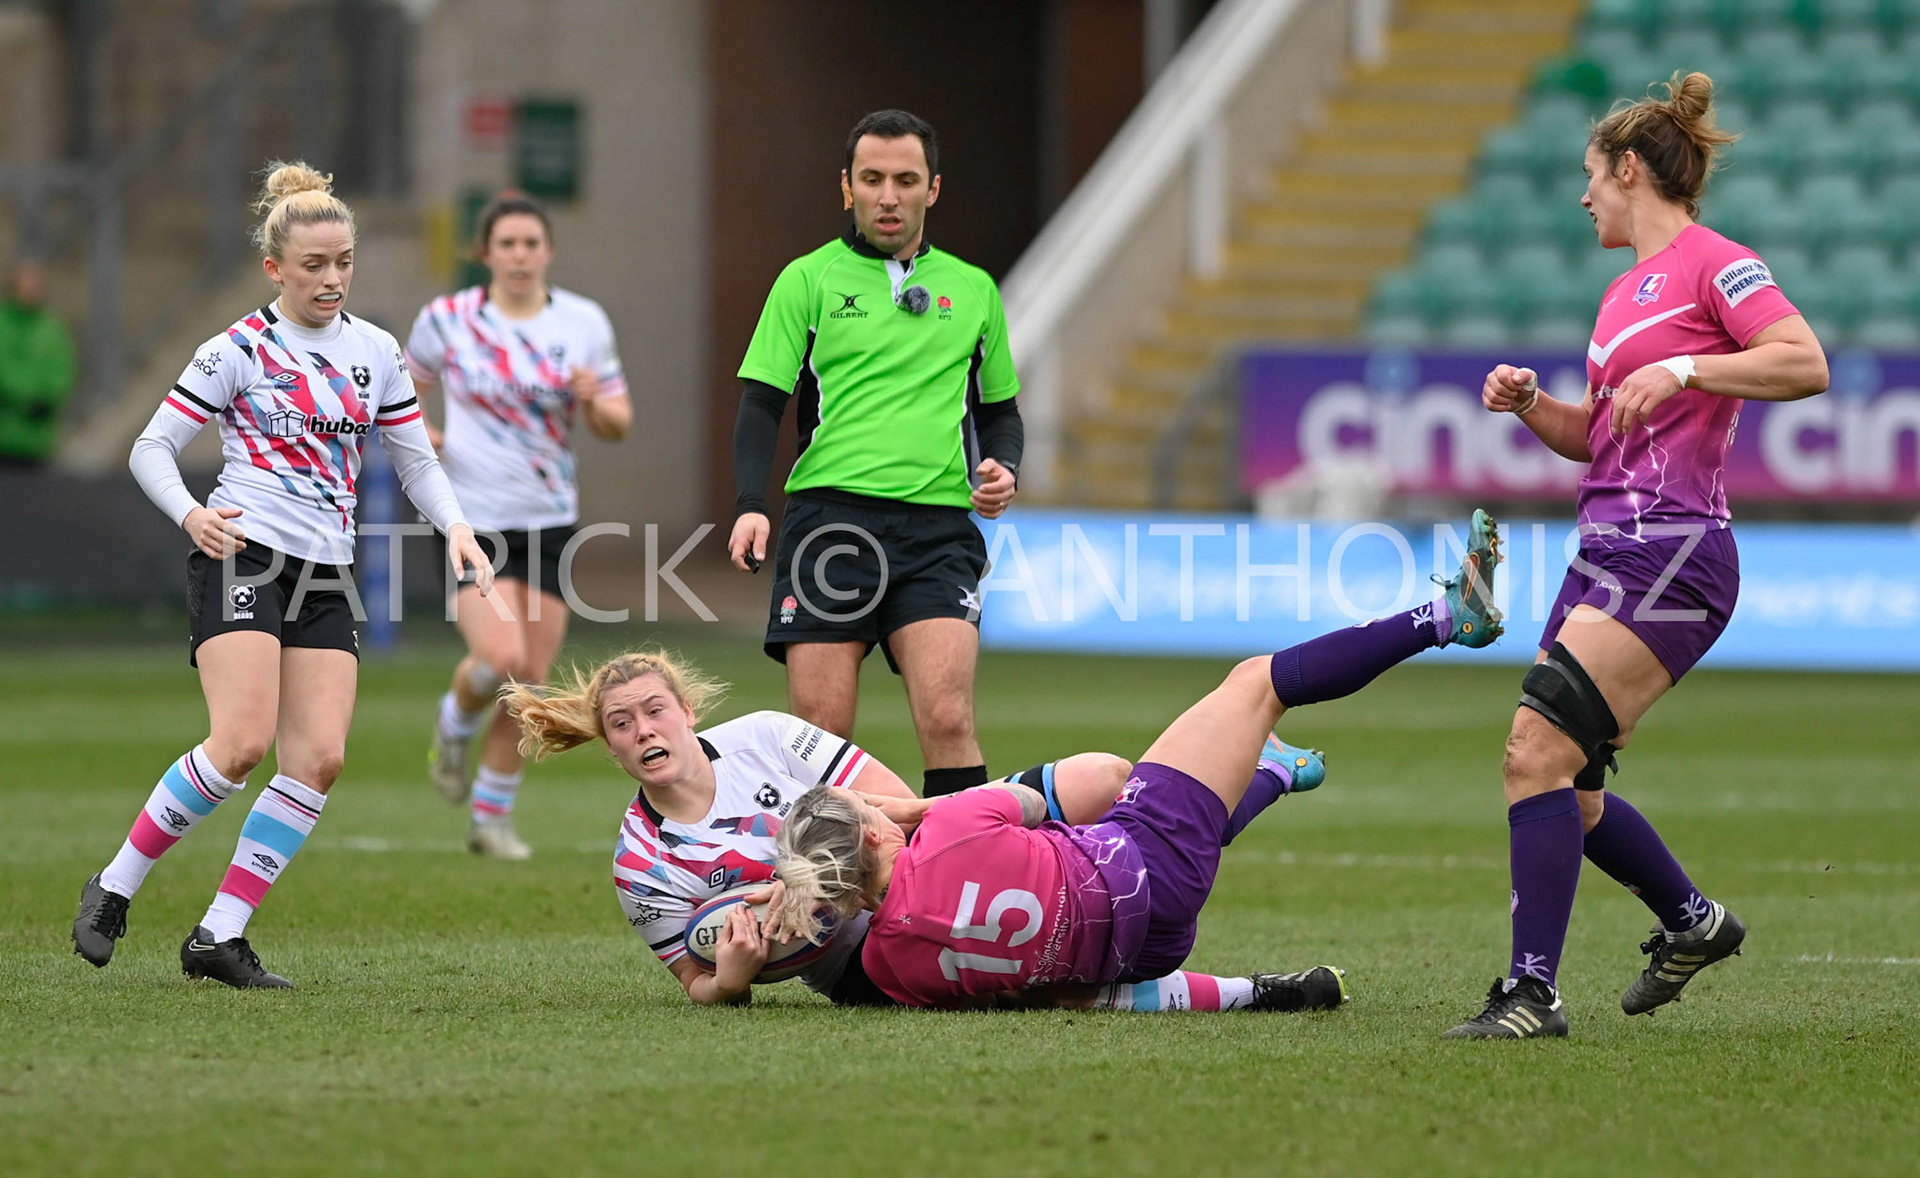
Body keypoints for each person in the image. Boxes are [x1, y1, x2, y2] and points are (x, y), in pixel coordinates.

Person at [764, 515, 1507, 1010]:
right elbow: (1088, 777)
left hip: (1140, 954)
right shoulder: (953, 825)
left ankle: (1274, 773)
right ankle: (1447, 618)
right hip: (1145, 860)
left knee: (1173, 812)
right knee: (1256, 682)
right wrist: (923, 809)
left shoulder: (895, 966)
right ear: (871, 832)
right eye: (867, 807)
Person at [1453, 73, 1828, 1039]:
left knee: (1532, 750)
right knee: (1569, 789)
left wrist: (1687, 365)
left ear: (1629, 169)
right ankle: (1693, 922)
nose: (1582, 197)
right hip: (1608, 546)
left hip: (1676, 546)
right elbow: (1600, 440)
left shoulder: (1719, 265)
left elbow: (1803, 361)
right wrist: (1535, 405)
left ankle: (1532, 994)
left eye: (1591, 176)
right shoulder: (1620, 296)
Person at [69, 161, 493, 988]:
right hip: (244, 553)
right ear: (275, 268)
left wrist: (458, 528)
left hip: (326, 572)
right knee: (239, 745)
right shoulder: (237, 349)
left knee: (319, 759)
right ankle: (115, 886)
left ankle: (218, 936)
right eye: (313, 265)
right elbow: (148, 448)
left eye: (344, 263)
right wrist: (192, 515)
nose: (332, 279)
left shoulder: (376, 352)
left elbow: (413, 461)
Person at [503, 650, 1340, 1012]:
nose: (643, 728)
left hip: (901, 862)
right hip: (858, 956)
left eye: (654, 709)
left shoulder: (761, 734)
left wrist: (819, 870)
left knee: (1105, 779)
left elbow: (893, 805)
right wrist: (733, 978)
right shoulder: (641, 865)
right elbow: (696, 979)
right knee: (1045, 987)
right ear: (609, 744)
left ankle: (1258, 773)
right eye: (621, 722)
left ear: (686, 712)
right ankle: (1256, 980)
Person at [727, 108, 1023, 800]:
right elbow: (761, 404)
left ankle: (959, 888)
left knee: (949, 718)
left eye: (905, 180)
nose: (888, 196)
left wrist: (1004, 467)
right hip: (830, 524)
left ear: (933, 189)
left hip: (939, 531)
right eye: (872, 179)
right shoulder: (808, 280)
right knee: (820, 731)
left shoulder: (975, 290)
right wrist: (749, 504)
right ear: (846, 187)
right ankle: (822, 896)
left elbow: (1000, 411)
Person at [413, 192, 632, 859]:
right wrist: (424, 431)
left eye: (530, 243)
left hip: (549, 520)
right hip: (470, 519)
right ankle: (452, 728)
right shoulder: (447, 319)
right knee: (503, 658)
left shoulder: (583, 322)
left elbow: (619, 423)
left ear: (548, 252)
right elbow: (404, 387)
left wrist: (595, 404)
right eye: (506, 244)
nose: (519, 255)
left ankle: (490, 819)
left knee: (530, 684)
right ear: (485, 254)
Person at [0, 259, 77, 465]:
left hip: (38, 438)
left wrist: (47, 397)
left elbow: (61, 369)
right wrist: (26, 398)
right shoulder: (3, 324)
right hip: (5, 433)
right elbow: (4, 370)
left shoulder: (51, 328)